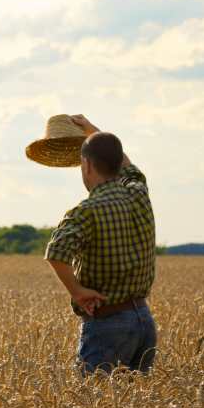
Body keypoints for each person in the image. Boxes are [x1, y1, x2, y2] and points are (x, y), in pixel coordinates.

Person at [44, 115, 158, 374]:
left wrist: (77, 291)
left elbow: (56, 252)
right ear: (118, 164)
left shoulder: (86, 211)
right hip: (144, 322)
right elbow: (129, 167)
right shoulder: (138, 193)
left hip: (108, 324)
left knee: (91, 406)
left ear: (86, 165)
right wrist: (93, 131)